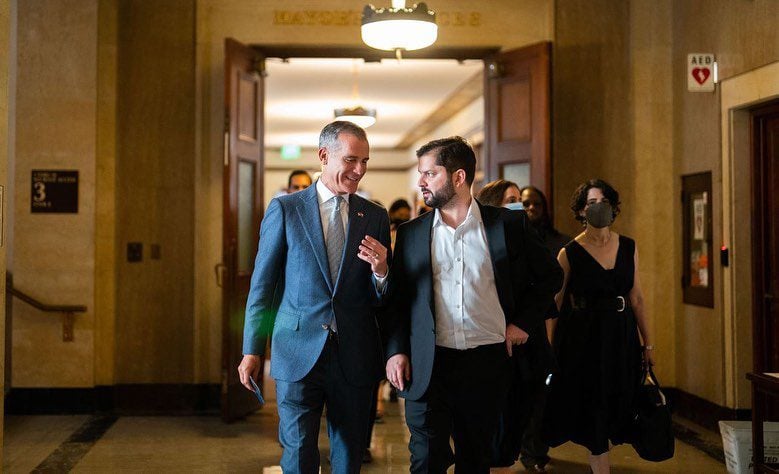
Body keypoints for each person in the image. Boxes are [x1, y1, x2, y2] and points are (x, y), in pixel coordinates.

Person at [384, 136, 563, 474]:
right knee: (425, 460)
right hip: (429, 362)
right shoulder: (411, 233)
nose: (421, 181)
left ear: (459, 177)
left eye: (430, 173)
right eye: (420, 174)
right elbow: (398, 300)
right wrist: (396, 350)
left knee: (476, 459)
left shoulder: (507, 226)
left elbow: (550, 276)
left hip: (486, 362)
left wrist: (523, 323)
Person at [238, 121, 391, 474]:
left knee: (349, 455)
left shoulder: (375, 217)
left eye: (365, 161)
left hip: (354, 353)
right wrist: (251, 350)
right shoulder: (286, 210)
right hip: (296, 349)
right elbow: (263, 287)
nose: (359, 170)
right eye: (352, 160)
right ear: (324, 156)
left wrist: (382, 271)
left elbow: (383, 297)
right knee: (297, 453)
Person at [543, 179, 654, 474]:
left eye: (603, 202)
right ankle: (600, 465)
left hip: (621, 335)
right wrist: (550, 350)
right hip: (582, 338)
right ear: (581, 211)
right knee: (592, 406)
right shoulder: (569, 253)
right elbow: (554, 305)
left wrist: (648, 343)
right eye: (591, 203)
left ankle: (601, 454)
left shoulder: (628, 246)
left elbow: (637, 298)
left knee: (616, 401)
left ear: (613, 207)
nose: (598, 208)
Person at [476, 180, 564, 472]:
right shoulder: (478, 235)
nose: (520, 207)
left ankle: (529, 453)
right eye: (511, 200)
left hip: (526, 343)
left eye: (521, 201)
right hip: (489, 345)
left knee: (522, 415)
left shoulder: (527, 235)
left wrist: (522, 324)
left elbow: (551, 278)